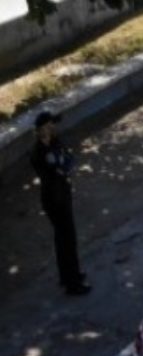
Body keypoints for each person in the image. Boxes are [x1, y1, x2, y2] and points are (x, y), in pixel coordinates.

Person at [30, 111, 91, 296]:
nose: (54, 127)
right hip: (53, 198)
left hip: (62, 193)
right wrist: (61, 167)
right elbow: (53, 171)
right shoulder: (38, 151)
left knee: (65, 238)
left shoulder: (56, 142)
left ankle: (69, 276)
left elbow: (68, 160)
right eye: (50, 125)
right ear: (42, 129)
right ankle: (73, 285)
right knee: (66, 239)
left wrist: (63, 167)